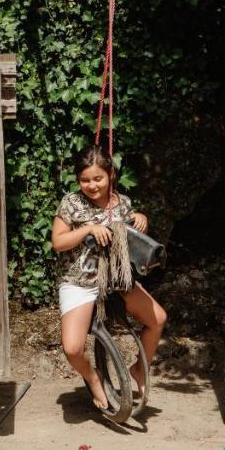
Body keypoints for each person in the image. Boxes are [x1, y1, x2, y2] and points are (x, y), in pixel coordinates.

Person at [51, 144, 167, 411]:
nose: (92, 186)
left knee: (158, 319)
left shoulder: (122, 203)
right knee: (72, 348)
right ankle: (93, 378)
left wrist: (141, 217)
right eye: (85, 180)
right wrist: (88, 228)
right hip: (79, 281)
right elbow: (58, 242)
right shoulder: (71, 203)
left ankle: (139, 369)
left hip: (116, 281)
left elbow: (131, 232)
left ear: (111, 174)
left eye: (98, 178)